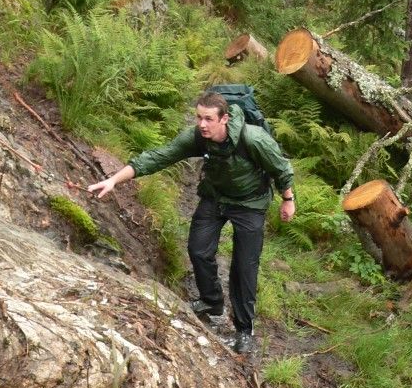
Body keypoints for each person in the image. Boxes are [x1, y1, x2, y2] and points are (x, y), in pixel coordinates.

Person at [88, 90, 295, 355]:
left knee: (244, 266)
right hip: (215, 197)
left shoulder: (252, 139)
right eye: (198, 117)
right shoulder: (198, 137)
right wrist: (114, 180)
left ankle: (244, 329)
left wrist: (288, 200)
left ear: (224, 119)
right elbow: (160, 156)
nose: (201, 124)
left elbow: (281, 169)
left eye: (208, 119)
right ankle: (211, 302)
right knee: (198, 249)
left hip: (250, 204)